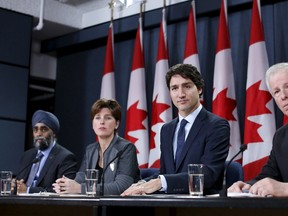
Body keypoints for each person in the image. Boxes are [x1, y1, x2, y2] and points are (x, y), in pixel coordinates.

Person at [121, 63, 230, 196]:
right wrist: (141, 184)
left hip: (201, 204)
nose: (181, 94)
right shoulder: (167, 129)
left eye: (187, 86)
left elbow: (209, 175)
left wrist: (160, 182)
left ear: (200, 89)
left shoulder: (216, 126)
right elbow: (165, 173)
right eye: (174, 88)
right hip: (170, 204)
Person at [53, 98, 140, 195]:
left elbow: (121, 186)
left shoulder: (126, 148)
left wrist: (80, 189)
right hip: (96, 206)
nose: (102, 122)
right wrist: (65, 185)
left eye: (108, 118)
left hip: (121, 207)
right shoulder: (91, 149)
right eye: (97, 117)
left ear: (117, 124)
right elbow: (81, 177)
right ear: (93, 124)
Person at [228, 62, 288, 197]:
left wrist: (285, 189)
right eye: (276, 92)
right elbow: (270, 175)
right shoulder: (281, 136)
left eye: (287, 87)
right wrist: (248, 186)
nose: (283, 96)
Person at [16, 110, 77, 193]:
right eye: (35, 130)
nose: (38, 134)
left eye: (44, 129)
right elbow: (20, 183)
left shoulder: (66, 158)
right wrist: (14, 185)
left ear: (54, 133)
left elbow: (62, 190)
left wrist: (28, 190)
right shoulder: (27, 156)